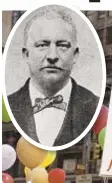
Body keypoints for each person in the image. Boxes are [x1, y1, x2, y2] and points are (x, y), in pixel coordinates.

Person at [7, 5, 99, 147]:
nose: (52, 56)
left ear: (75, 55)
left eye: (62, 45)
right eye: (42, 45)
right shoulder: (9, 105)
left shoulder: (93, 105)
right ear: (26, 54)